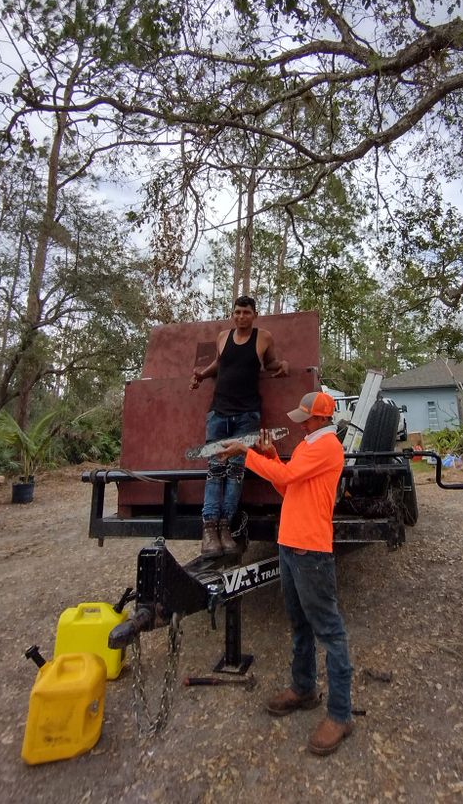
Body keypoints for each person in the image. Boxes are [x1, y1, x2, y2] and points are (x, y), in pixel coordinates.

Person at [218, 390, 354, 757]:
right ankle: (304, 688)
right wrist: (270, 456)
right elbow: (286, 483)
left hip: (310, 549)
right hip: (291, 544)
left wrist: (247, 454)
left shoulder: (325, 446)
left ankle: (341, 714)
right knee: (299, 623)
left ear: (322, 419)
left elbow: (288, 474)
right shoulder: (312, 444)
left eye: (306, 418)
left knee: (329, 630)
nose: (301, 422)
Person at [190, 295, 289, 556]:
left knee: (235, 471)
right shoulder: (223, 336)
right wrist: (201, 374)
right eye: (237, 312)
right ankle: (209, 530)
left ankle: (226, 527)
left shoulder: (264, 337)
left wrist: (284, 366)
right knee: (215, 469)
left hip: (247, 415)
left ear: (254, 314)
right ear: (232, 315)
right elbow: (220, 363)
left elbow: (270, 364)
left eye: (246, 312)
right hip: (218, 413)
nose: (241, 316)